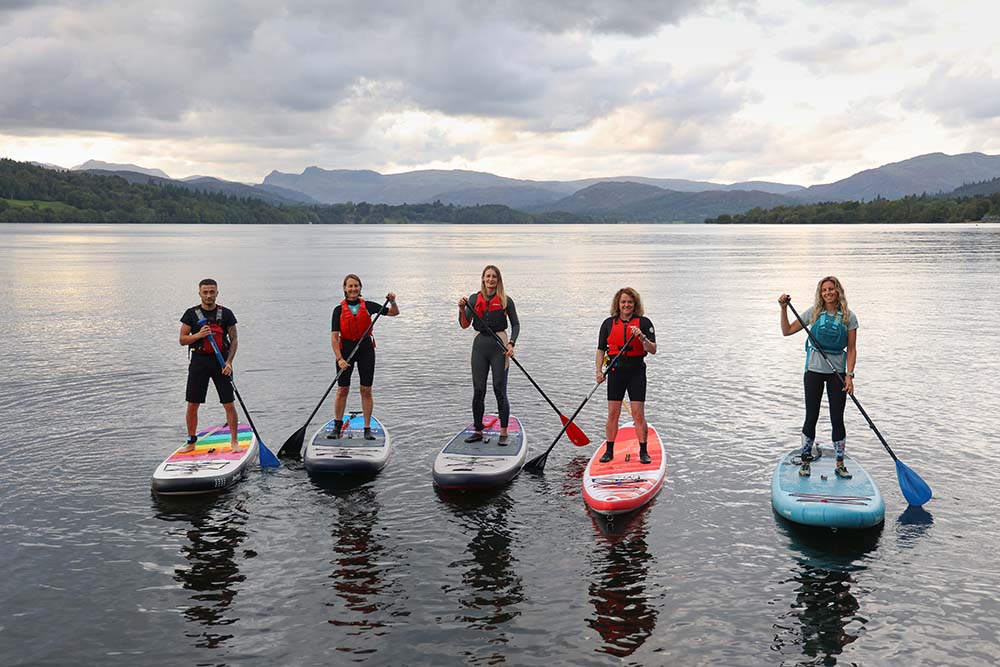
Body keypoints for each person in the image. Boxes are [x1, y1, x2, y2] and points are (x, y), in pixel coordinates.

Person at [779, 276, 858, 479]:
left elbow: (851, 349)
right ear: (820, 293)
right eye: (824, 290)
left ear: (838, 291)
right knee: (811, 416)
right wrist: (783, 308)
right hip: (813, 370)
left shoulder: (849, 317)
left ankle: (839, 464)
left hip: (837, 374)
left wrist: (849, 376)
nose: (828, 293)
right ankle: (805, 460)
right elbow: (787, 331)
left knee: (837, 418)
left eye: (831, 289)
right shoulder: (813, 313)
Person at [330, 274, 399, 440]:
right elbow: (334, 338)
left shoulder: (368, 306)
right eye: (350, 286)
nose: (353, 289)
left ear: (360, 288)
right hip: (345, 351)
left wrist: (392, 301)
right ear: (345, 289)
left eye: (356, 286)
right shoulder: (338, 310)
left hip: (366, 349)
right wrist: (340, 359)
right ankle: (337, 426)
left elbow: (394, 313)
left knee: (366, 390)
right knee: (342, 390)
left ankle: (367, 428)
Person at [458, 265, 519, 444]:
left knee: (499, 389)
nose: (491, 279)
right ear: (483, 279)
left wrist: (511, 343)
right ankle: (478, 430)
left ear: (498, 280)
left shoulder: (506, 300)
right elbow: (464, 324)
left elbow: (515, 325)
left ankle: (504, 432)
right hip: (480, 346)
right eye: (488, 276)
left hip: (499, 346)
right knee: (478, 390)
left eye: (494, 276)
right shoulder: (473, 298)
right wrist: (461, 309)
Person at [178, 278, 240, 453]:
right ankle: (191, 441)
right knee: (193, 403)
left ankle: (234, 441)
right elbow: (182, 340)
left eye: (212, 292)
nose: (208, 295)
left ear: (217, 293)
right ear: (199, 294)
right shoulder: (191, 314)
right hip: (199, 362)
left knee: (229, 403)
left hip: (221, 363)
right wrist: (198, 335)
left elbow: (234, 340)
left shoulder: (226, 314)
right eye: (205, 292)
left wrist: (229, 362)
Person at [596, 287, 657, 464]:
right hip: (615, 372)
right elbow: (600, 350)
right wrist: (598, 371)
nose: (626, 305)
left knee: (638, 414)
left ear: (635, 304)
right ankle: (609, 450)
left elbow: (653, 350)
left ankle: (643, 451)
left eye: (630, 302)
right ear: (618, 304)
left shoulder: (644, 323)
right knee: (613, 414)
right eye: (623, 302)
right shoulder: (608, 324)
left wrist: (642, 338)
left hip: (636, 372)